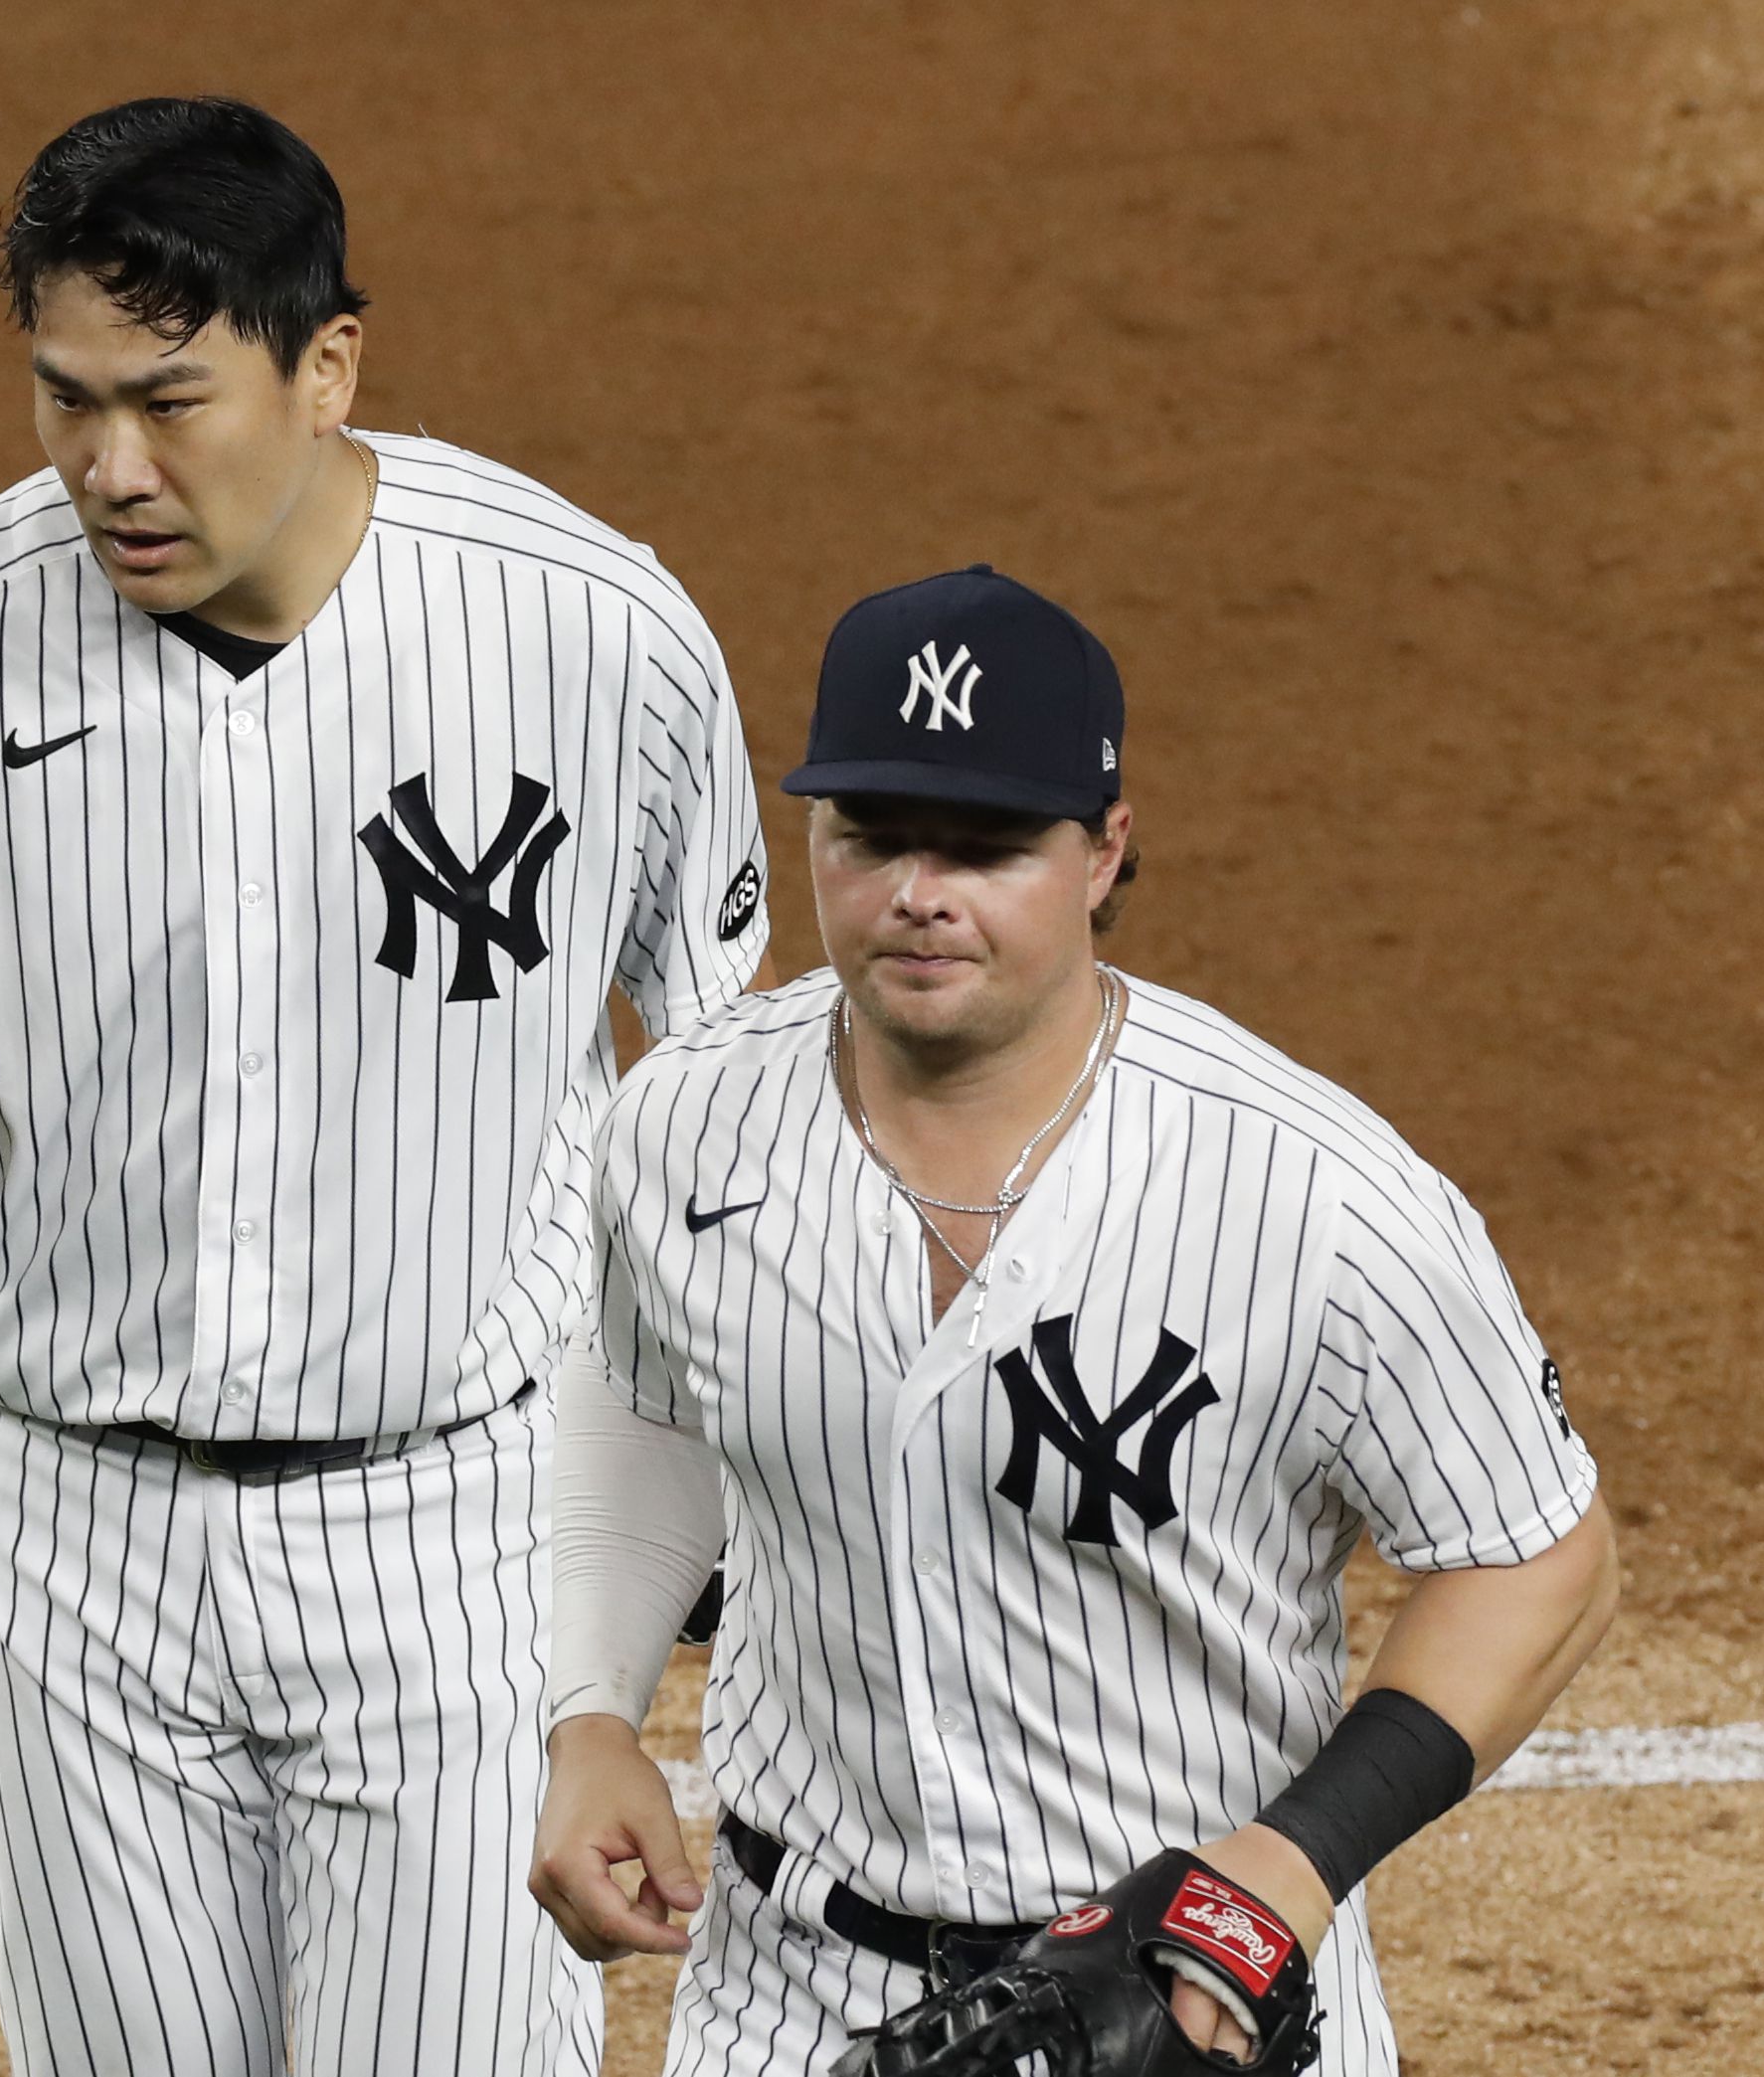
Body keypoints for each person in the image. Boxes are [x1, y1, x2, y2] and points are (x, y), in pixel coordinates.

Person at [0, 95, 771, 2077]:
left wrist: (711, 1518)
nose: (110, 466)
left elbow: (719, 1077)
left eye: (170, 399)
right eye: (66, 400)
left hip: (449, 1536)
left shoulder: (587, 634)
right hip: (71, 1541)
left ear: (326, 363)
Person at [530, 566, 1618, 2074]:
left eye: (984, 846)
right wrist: (588, 1706)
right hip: (784, 1992)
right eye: (870, 835)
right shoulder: (686, 1123)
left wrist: (1286, 1871)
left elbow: (1533, 1553)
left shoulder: (1315, 1198)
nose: (919, 891)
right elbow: (641, 1399)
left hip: (1192, 2008)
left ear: (1105, 850)